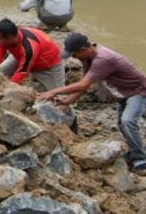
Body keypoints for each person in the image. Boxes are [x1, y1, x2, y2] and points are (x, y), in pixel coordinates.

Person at [37, 33, 146, 173]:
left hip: (138, 91)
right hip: (124, 92)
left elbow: (83, 85)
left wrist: (54, 91)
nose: (72, 57)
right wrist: (68, 100)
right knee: (122, 123)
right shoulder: (88, 57)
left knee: (128, 121)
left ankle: (141, 160)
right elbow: (85, 83)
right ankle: (134, 152)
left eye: (74, 54)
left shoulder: (103, 59)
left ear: (83, 49)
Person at [0, 18, 65, 91]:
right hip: (21, 56)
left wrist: (8, 89)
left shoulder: (29, 47)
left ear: (11, 37)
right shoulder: (5, 40)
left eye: (0, 38)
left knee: (59, 95)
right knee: (3, 70)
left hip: (49, 64)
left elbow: (22, 72)